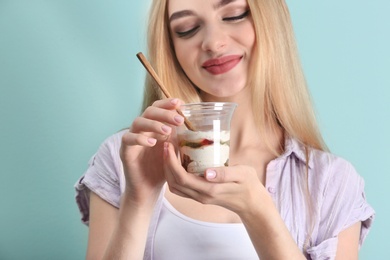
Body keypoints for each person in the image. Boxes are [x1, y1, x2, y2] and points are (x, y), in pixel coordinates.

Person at [75, 0, 375, 259]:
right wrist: (137, 201)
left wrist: (258, 212)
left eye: (233, 15)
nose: (214, 42)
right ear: (171, 48)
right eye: (187, 29)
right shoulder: (125, 157)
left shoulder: (330, 182)